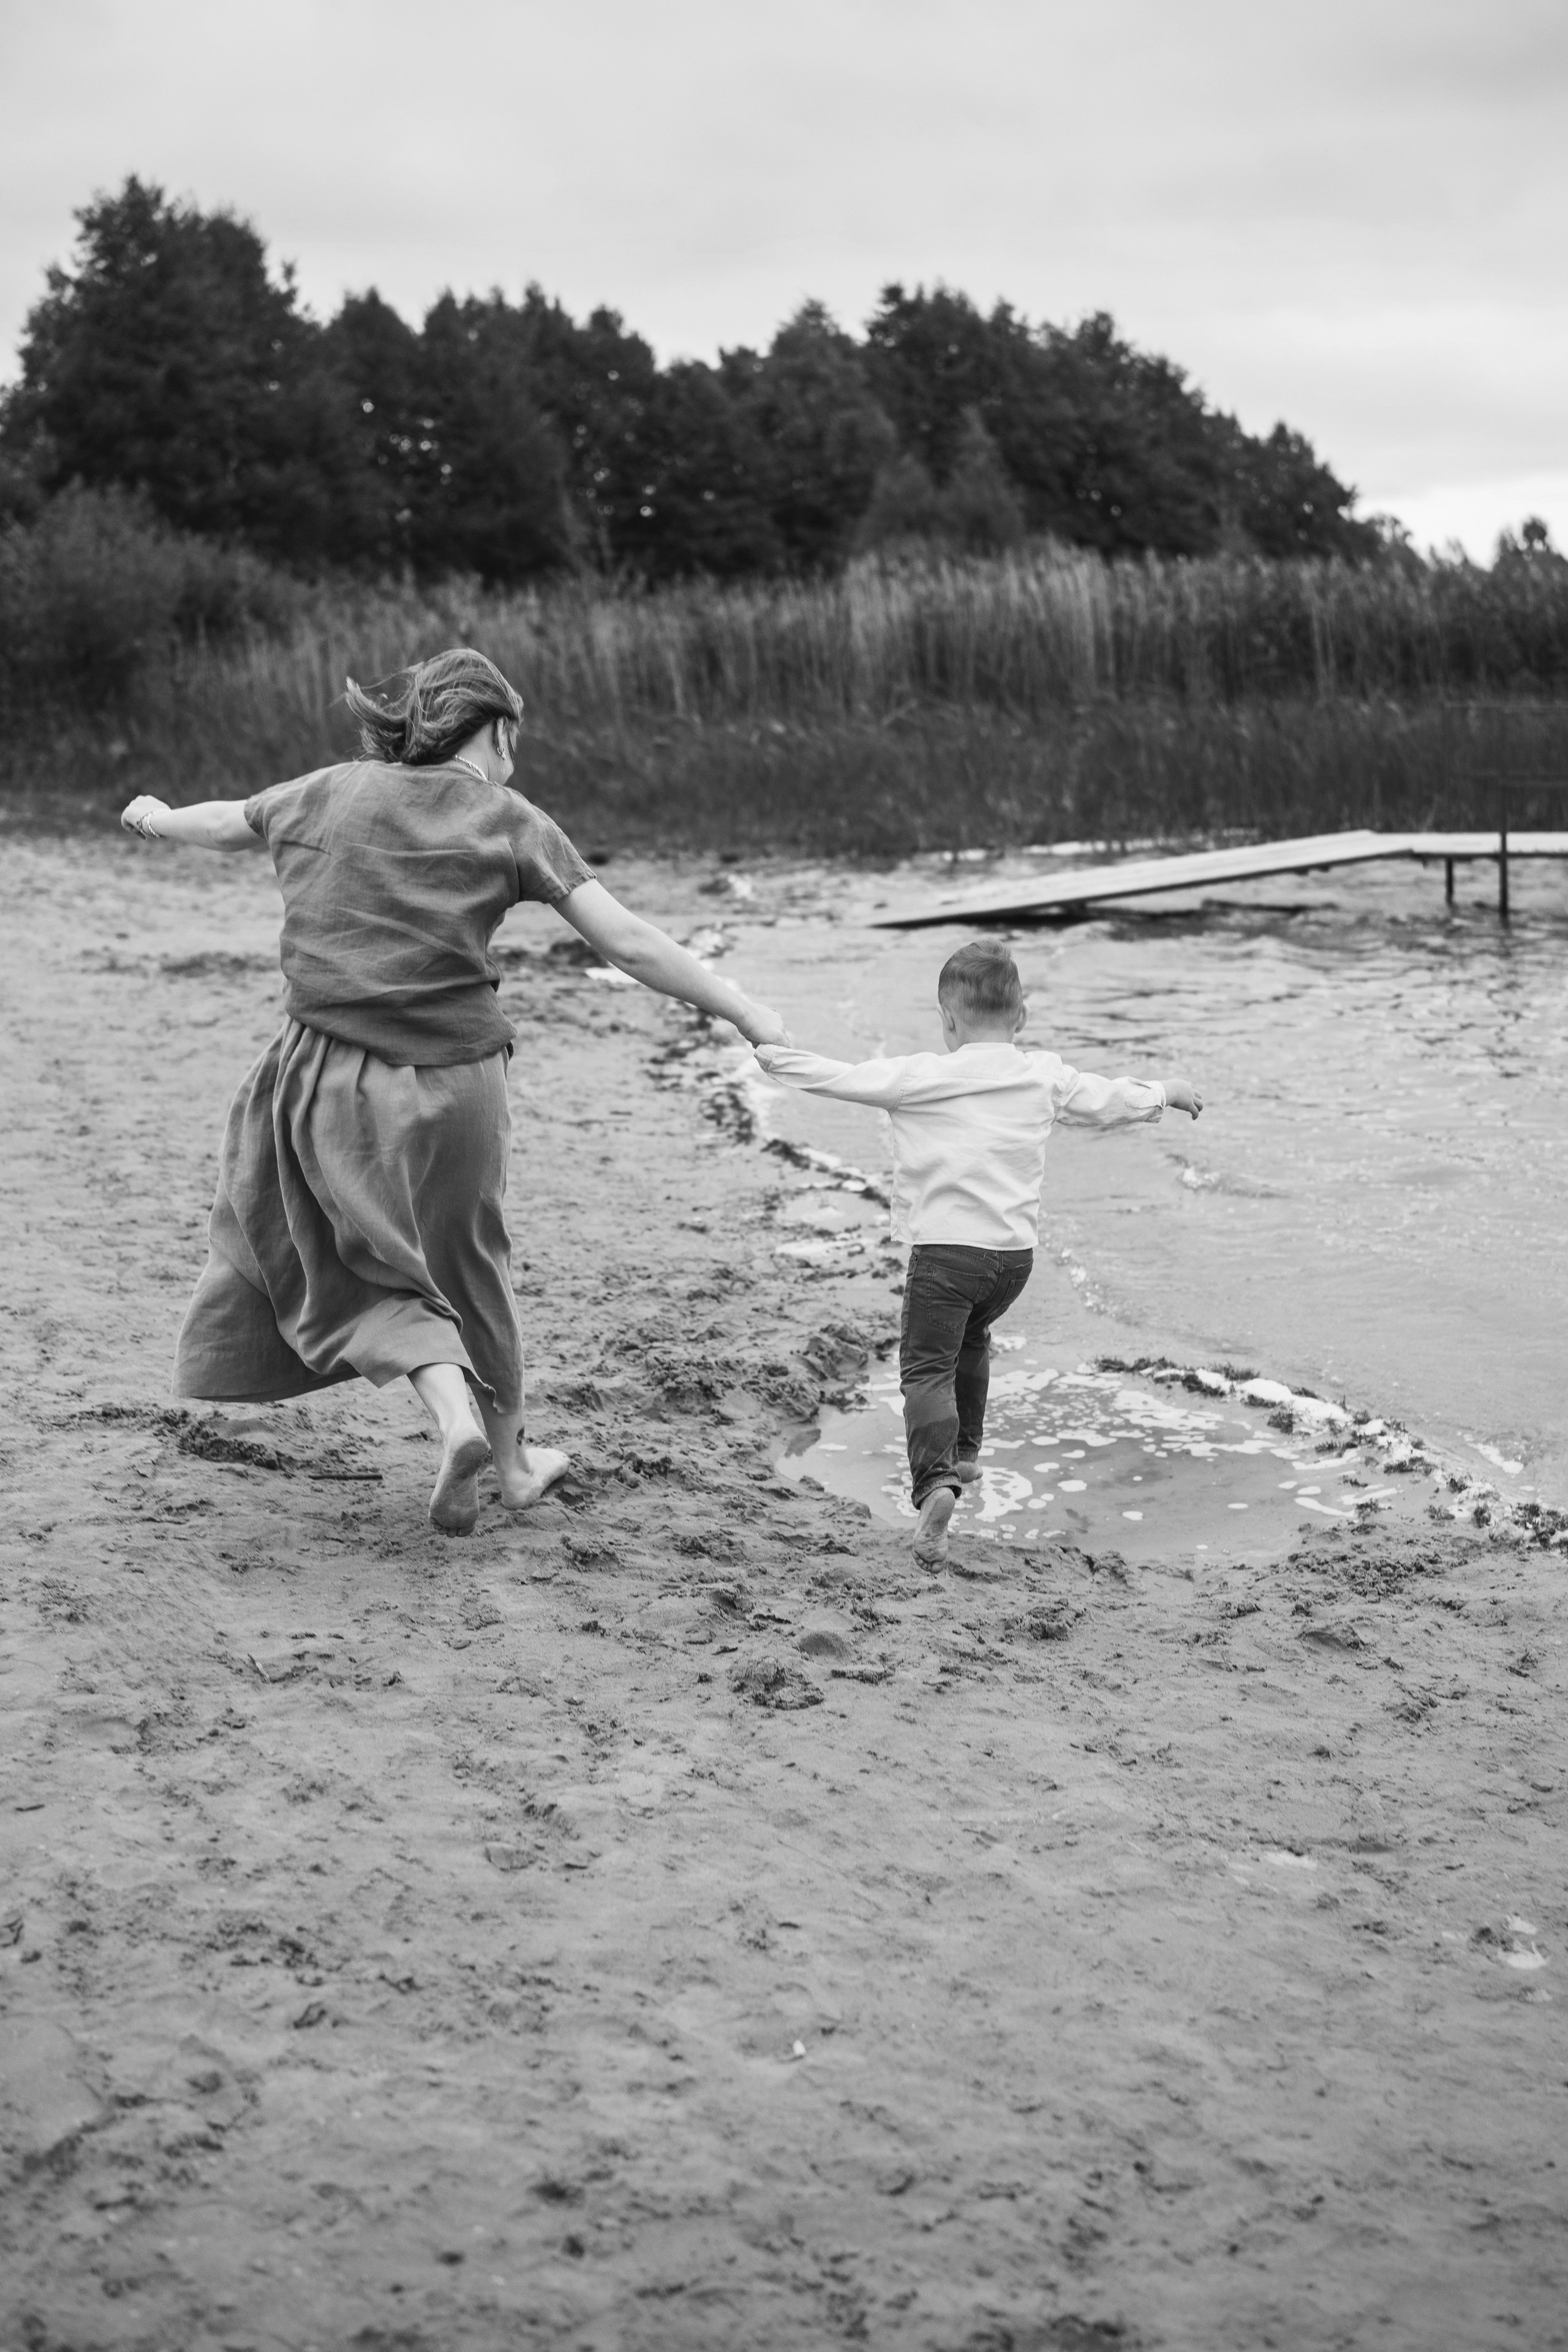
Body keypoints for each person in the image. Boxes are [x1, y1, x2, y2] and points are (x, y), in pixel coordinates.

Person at [121, 646, 788, 1536]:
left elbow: (226, 824)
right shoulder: (510, 819)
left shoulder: (329, 789)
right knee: (474, 1263)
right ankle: (512, 1467)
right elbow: (626, 943)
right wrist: (745, 1012)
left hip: (334, 1073)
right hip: (462, 1085)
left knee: (347, 1256)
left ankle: (454, 1422)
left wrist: (158, 817)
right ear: (499, 730)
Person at [755, 939, 1201, 1564]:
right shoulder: (1043, 1073)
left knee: (925, 1369)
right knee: (973, 1339)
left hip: (945, 1257)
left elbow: (838, 1078)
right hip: (1012, 1261)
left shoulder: (920, 1076)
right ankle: (966, 1454)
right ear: (1020, 1018)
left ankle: (935, 1482)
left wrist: (772, 1054)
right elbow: (1107, 1100)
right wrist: (1166, 1090)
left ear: (948, 1020)